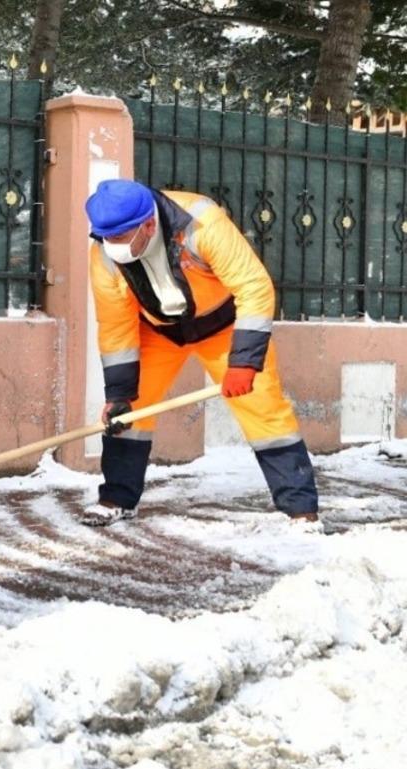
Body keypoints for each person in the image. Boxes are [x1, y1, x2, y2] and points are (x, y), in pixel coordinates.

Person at [82, 179, 319, 526]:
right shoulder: (104, 255)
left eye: (120, 238)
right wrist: (119, 392)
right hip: (160, 330)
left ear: (148, 224)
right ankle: (117, 498)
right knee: (127, 414)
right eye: (106, 238)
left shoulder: (200, 223)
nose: (112, 246)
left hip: (222, 326)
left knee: (265, 410)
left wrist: (244, 361)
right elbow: (116, 326)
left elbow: (254, 287)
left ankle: (301, 510)